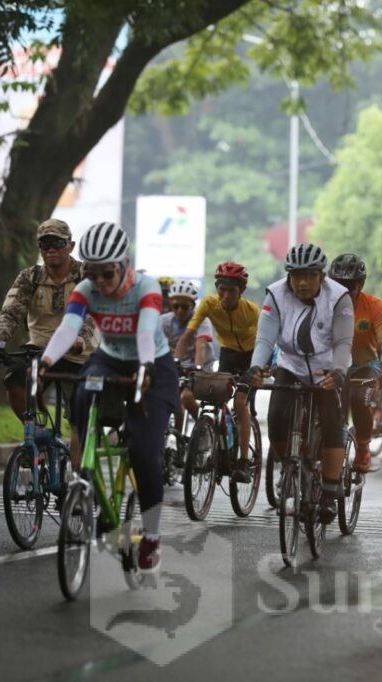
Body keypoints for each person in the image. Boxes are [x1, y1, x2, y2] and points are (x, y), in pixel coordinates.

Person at [41, 222, 179, 573]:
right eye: (91, 273)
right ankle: (84, 474)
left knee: (144, 453)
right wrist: (44, 361)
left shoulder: (146, 288)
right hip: (110, 358)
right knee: (82, 394)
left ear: (124, 265)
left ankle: (150, 535)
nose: (99, 283)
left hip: (153, 365)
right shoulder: (86, 290)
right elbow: (68, 327)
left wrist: (146, 367)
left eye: (107, 274)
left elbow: (147, 331)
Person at [244, 243, 353, 523]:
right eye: (296, 276)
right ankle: (293, 465)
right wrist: (256, 366)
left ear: (322, 276)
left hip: (327, 368)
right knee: (276, 417)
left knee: (331, 422)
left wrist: (339, 372)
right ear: (288, 277)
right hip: (290, 364)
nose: (302, 282)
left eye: (310, 276)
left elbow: (342, 341)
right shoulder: (276, 294)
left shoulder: (339, 297)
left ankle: (328, 491)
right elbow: (266, 338)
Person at [0, 219, 97, 422]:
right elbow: (10, 312)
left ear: (71, 246)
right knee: (14, 378)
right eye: (45, 244)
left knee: (79, 420)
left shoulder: (85, 274)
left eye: (58, 244)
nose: (51, 250)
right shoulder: (30, 277)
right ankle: (36, 436)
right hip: (40, 351)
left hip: (79, 356)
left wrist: (80, 338)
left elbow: (93, 314)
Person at [176, 262, 260, 482]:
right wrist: (176, 360)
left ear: (241, 291)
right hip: (228, 354)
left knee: (241, 401)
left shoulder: (251, 311)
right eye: (221, 289)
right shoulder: (209, 304)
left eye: (231, 290)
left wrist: (263, 367)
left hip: (252, 356)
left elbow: (266, 341)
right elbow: (188, 333)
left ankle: (242, 461)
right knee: (217, 399)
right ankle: (220, 448)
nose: (225, 295)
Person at [328, 253, 382, 472]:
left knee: (359, 399)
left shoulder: (375, 306)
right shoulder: (323, 304)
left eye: (349, 286)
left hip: (363, 366)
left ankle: (363, 446)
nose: (344, 291)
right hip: (331, 365)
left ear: (361, 285)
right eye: (338, 285)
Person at [159, 279, 215, 431]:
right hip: (175, 366)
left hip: (199, 366)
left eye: (185, 307)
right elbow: (158, 346)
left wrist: (197, 368)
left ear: (193, 305)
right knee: (168, 400)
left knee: (186, 397)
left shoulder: (201, 320)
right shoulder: (164, 321)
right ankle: (177, 441)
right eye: (176, 306)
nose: (180, 311)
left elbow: (201, 345)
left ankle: (204, 431)